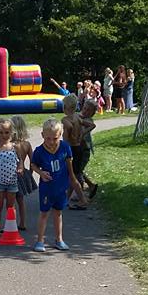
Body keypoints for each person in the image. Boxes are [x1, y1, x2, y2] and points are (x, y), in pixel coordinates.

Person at [31, 118, 86, 252]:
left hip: (61, 188)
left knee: (58, 213)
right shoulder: (39, 151)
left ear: (60, 135)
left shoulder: (65, 147)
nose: (51, 142)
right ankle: (40, 241)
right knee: (44, 213)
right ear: (43, 135)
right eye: (48, 138)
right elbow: (33, 165)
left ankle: (59, 239)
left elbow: (69, 166)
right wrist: (41, 173)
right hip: (47, 189)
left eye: (55, 138)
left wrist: (73, 180)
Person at [0, 117, 23, 240]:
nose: (4, 135)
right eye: (1, 132)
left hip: (12, 182)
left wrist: (20, 167)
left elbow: (20, 160)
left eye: (7, 132)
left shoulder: (15, 147)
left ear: (11, 132)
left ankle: (10, 227)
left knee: (10, 207)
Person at [11, 115, 37, 231]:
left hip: (12, 174)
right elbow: (33, 161)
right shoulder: (27, 144)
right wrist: (30, 173)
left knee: (11, 201)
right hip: (23, 174)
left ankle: (11, 223)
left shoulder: (10, 145)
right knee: (21, 201)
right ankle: (22, 222)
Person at [61, 94, 88, 209]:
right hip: (79, 147)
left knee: (72, 177)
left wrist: (63, 146)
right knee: (73, 175)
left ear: (65, 107)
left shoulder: (65, 119)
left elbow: (68, 129)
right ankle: (66, 199)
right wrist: (82, 134)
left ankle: (83, 200)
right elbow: (91, 125)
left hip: (71, 149)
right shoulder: (77, 117)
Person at [77, 98, 98, 200]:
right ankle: (90, 186)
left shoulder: (88, 121)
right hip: (78, 150)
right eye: (84, 108)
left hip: (84, 151)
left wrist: (81, 133)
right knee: (77, 171)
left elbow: (88, 127)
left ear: (92, 113)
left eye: (88, 110)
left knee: (78, 172)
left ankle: (81, 194)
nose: (85, 111)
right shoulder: (80, 117)